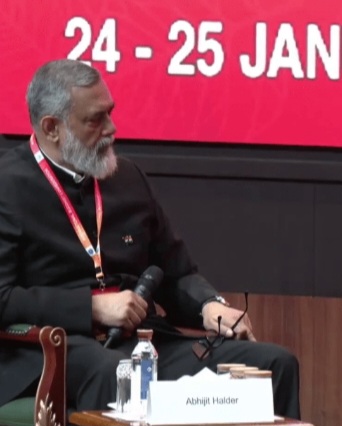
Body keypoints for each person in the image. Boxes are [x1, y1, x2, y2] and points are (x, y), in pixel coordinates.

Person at [0, 59, 300, 419]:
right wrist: (91, 308)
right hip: (54, 352)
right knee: (115, 373)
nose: (111, 129)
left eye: (110, 113)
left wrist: (210, 306)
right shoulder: (8, 186)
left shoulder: (127, 178)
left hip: (141, 344)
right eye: (96, 120)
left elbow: (176, 272)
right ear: (52, 128)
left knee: (273, 363)